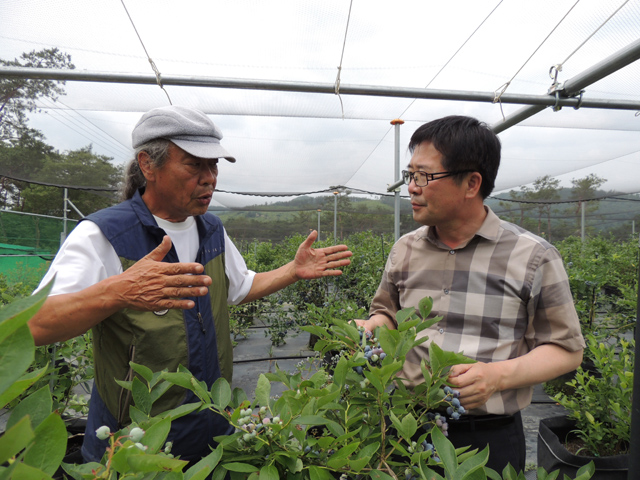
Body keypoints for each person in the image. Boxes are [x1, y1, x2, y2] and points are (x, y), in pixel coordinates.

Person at [29, 105, 352, 465]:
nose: (210, 177)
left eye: (213, 166)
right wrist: (118, 291)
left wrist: (292, 270)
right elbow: (34, 325)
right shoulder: (105, 234)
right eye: (194, 164)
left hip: (212, 432)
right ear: (148, 165)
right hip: (135, 444)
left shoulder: (210, 229)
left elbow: (240, 287)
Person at [355, 115, 585, 472]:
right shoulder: (405, 249)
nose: (412, 187)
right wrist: (372, 326)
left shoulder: (533, 256)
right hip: (402, 427)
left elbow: (566, 351)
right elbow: (386, 311)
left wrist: (498, 377)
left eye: (424, 176)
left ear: (471, 183)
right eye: (410, 175)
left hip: (485, 438)